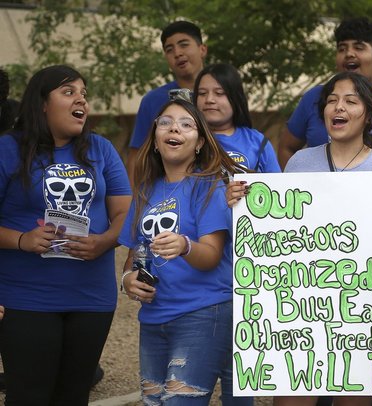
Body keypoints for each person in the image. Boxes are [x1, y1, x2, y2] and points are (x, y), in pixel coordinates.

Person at [229, 71, 372, 405]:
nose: (339, 107)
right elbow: (276, 235)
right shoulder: (299, 163)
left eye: (351, 101)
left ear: (371, 115)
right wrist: (242, 201)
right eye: (332, 100)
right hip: (299, 312)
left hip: (357, 316)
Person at [0, 65, 131, 405]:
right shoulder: (8, 150)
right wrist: (21, 240)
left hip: (92, 298)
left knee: (73, 396)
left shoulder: (100, 149)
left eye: (84, 94)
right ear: (42, 103)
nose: (82, 101)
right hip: (26, 297)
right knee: (29, 396)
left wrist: (106, 240)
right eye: (69, 92)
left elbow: (125, 212)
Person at [119, 98, 252, 406]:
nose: (174, 127)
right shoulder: (143, 191)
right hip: (153, 319)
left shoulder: (210, 186)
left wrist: (185, 245)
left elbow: (211, 255)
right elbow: (135, 252)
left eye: (186, 123)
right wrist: (128, 279)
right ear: (154, 140)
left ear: (199, 142)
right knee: (155, 403)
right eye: (165, 122)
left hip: (203, 313)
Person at [277, 16, 372, 168]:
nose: (349, 54)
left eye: (359, 47)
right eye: (342, 49)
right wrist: (298, 185)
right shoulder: (314, 97)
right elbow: (286, 147)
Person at [126, 20, 207, 184]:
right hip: (166, 196)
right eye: (169, 50)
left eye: (184, 45)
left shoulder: (221, 96)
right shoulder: (153, 100)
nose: (177, 53)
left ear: (202, 49)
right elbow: (137, 159)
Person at [193, 63, 281, 172]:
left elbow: (276, 187)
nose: (209, 99)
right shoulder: (187, 139)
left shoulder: (258, 141)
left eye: (219, 93)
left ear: (236, 98)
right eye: (202, 93)